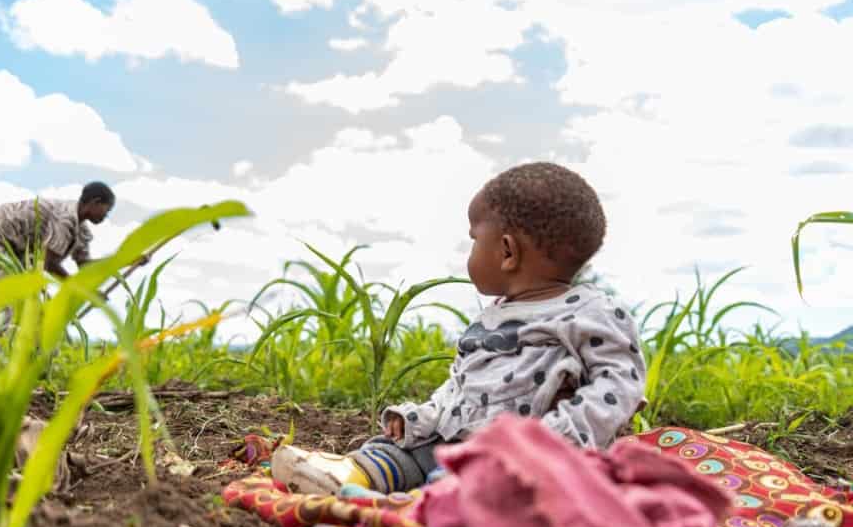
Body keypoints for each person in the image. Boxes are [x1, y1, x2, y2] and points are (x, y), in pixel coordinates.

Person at [271, 162, 648, 495]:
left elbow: (620, 384)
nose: (469, 251)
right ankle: (353, 475)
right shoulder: (491, 318)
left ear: (506, 252)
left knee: (479, 483)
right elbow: (461, 387)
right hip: (457, 441)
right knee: (403, 452)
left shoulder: (592, 312)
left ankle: (441, 500)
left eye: (473, 239)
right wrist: (422, 417)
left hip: (528, 463)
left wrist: (556, 438)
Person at [0, 182, 135, 327]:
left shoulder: (80, 230)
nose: (107, 215)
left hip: (14, 249)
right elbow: (48, 263)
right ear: (95, 203)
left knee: (30, 307)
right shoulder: (65, 218)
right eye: (107, 209)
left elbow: (85, 265)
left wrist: (126, 260)